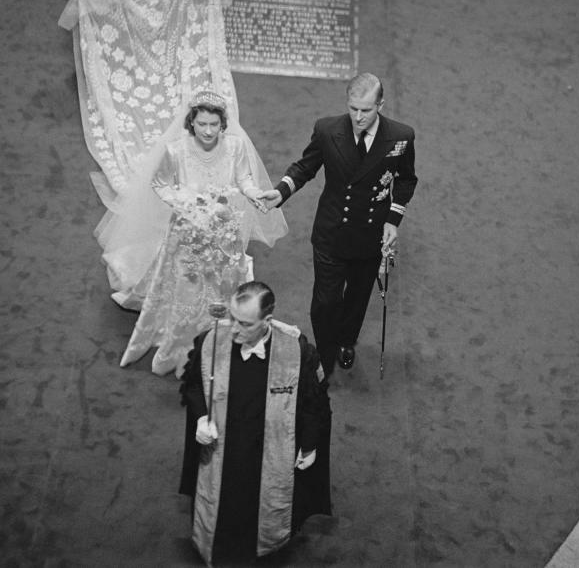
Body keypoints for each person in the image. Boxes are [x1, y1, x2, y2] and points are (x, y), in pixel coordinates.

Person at [106, 92, 287, 375]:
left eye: (214, 124)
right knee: (187, 288)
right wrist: (187, 205)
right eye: (202, 123)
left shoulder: (236, 147)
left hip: (224, 232)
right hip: (188, 231)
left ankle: (221, 333)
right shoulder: (175, 151)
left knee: (222, 287)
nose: (208, 131)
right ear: (192, 122)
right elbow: (160, 183)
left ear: (222, 123)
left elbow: (244, 179)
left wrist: (254, 195)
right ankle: (181, 340)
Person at [260, 73, 418, 374]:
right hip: (332, 231)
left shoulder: (401, 137)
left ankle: (346, 340)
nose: (358, 117)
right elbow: (305, 167)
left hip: (371, 235)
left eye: (366, 110)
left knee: (357, 298)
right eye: (353, 108)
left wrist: (393, 220)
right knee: (324, 301)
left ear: (380, 105)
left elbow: (407, 179)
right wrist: (280, 191)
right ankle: (325, 349)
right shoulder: (327, 129)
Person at [178, 281, 331, 565]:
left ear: (267, 321)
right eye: (232, 317)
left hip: (269, 455)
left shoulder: (296, 351)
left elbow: (314, 403)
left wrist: (309, 446)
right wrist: (200, 417)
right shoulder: (211, 341)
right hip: (223, 451)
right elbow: (193, 385)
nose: (234, 328)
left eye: (244, 323)